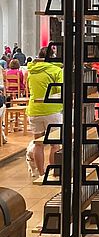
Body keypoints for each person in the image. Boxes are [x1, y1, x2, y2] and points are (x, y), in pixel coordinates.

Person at [26, 47, 64, 176]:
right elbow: (60, 91)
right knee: (55, 145)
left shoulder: (31, 71)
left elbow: (29, 89)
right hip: (52, 110)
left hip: (34, 110)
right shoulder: (57, 71)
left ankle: (41, 174)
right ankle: (53, 173)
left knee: (38, 144)